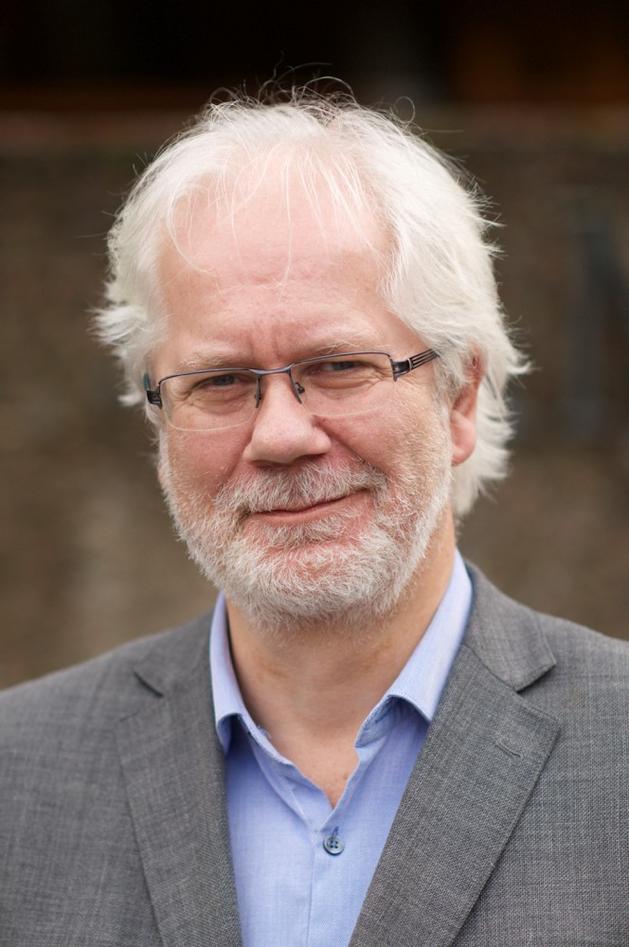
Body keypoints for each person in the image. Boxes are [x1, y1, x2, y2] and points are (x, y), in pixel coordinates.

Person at [1, 89, 627, 947]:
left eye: (337, 366)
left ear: (459, 396)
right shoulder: (19, 773)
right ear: (157, 417)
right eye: (220, 381)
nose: (281, 436)